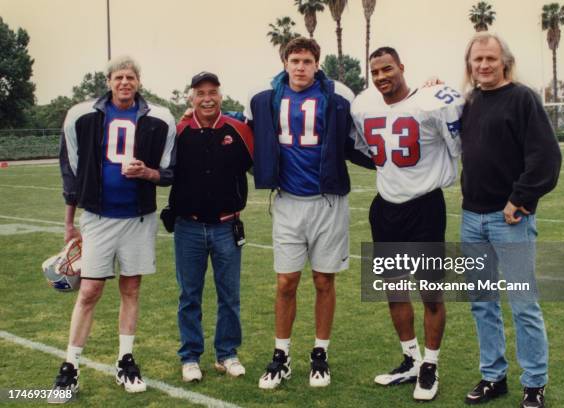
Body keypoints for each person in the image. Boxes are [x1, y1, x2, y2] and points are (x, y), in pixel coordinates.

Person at [245, 37, 372, 389]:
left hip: (328, 201)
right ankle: (281, 355)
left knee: (323, 280)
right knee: (286, 281)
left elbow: (361, 137)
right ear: (284, 62)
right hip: (287, 201)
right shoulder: (263, 97)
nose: (300, 66)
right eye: (294, 60)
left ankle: (320, 353)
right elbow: (246, 135)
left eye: (307, 60)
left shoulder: (338, 95)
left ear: (318, 63)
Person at [52, 56, 176, 403]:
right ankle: (70, 366)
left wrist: (147, 172)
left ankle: (125, 361)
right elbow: (71, 173)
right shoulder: (82, 115)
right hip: (98, 217)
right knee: (89, 291)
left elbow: (168, 172)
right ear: (108, 81)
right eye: (119, 77)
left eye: (131, 77)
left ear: (139, 82)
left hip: (138, 218)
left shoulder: (160, 118)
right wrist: (69, 223)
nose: (125, 82)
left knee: (131, 288)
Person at [351, 46, 463, 401]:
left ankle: (430, 365)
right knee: (394, 290)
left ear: (402, 67)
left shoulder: (430, 101)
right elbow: (364, 150)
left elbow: (458, 144)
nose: (382, 77)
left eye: (387, 69)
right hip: (385, 207)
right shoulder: (363, 105)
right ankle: (411, 359)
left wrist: (441, 89)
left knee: (430, 292)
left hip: (426, 206)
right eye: (375, 72)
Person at [459, 33, 561, 408]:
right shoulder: (470, 102)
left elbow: (547, 159)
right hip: (471, 218)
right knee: (482, 302)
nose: (483, 65)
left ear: (504, 61)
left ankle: (534, 383)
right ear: (469, 65)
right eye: (477, 60)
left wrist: (519, 198)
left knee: (523, 303)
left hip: (510, 220)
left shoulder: (522, 98)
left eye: (490, 58)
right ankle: (493, 376)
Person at [170, 71, 253, 382]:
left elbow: (262, 162)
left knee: (229, 295)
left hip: (226, 226)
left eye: (212, 92)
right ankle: (190, 356)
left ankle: (227, 354)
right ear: (191, 98)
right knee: (189, 295)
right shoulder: (178, 132)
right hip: (187, 227)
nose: (207, 98)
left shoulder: (240, 130)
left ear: (220, 95)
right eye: (200, 92)